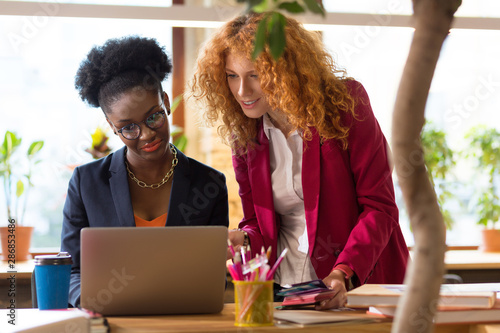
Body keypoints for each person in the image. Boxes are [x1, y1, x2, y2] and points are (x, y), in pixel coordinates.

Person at [189, 13, 409, 309]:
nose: (243, 91)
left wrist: (342, 272)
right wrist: (242, 239)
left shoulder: (346, 103)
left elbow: (379, 208)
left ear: (284, 70)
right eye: (232, 75)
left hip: (359, 282)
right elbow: (259, 223)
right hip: (287, 289)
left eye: (254, 74)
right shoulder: (244, 135)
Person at [61, 36, 229, 308]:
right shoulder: (86, 182)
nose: (147, 135)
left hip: (184, 320)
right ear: (111, 125)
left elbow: (213, 275)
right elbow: (70, 270)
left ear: (165, 101)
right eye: (128, 127)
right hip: (110, 319)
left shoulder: (209, 183)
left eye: (154, 116)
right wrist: (91, 300)